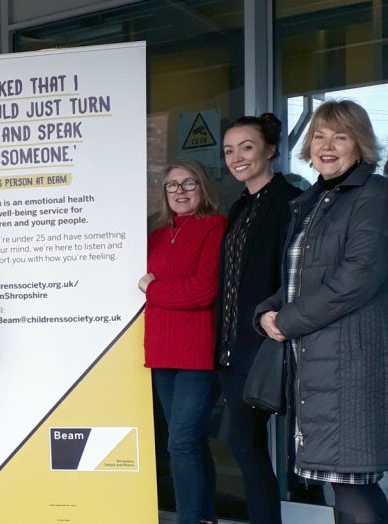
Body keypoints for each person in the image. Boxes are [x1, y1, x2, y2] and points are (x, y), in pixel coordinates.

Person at [256, 99, 388, 524]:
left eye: (340, 136)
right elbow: (298, 278)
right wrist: (268, 311)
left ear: (360, 144)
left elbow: (358, 276)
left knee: (353, 481)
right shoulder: (313, 202)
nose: (327, 146)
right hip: (316, 359)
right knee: (342, 481)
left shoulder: (373, 194)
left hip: (350, 360)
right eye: (319, 135)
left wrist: (289, 321)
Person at [217, 113, 301, 524]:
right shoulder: (240, 207)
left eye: (246, 147)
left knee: (247, 444)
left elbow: (294, 275)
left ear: (269, 150)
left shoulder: (290, 200)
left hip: (268, 344)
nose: (236, 157)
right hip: (235, 349)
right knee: (245, 446)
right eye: (229, 150)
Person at [139, 158, 226, 524]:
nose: (180, 192)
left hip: (196, 352)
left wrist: (154, 289)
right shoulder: (155, 234)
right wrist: (160, 292)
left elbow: (204, 290)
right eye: (172, 185)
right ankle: (205, 517)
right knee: (190, 440)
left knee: (180, 443)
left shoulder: (215, 226)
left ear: (202, 187)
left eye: (189, 183)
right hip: (161, 351)